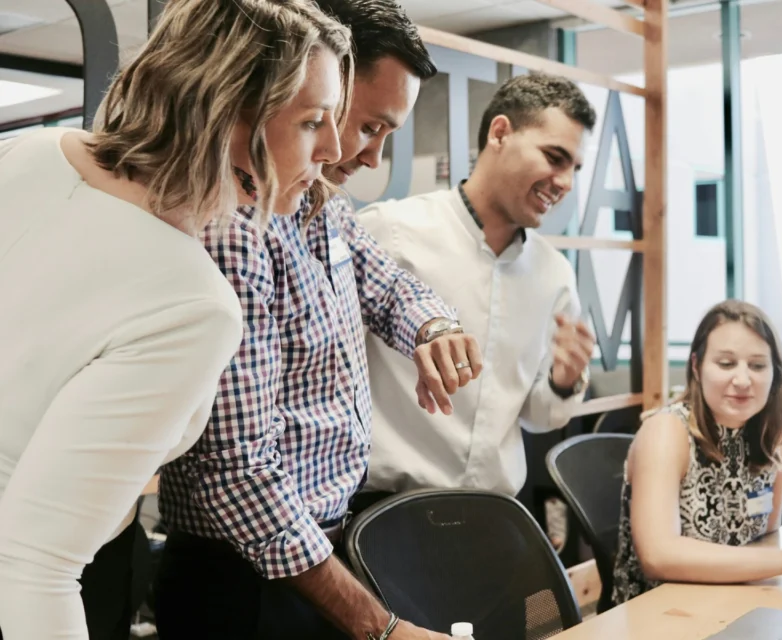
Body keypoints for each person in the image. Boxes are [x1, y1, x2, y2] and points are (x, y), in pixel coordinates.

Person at [0, 0, 352, 638]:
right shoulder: (192, 304)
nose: (333, 147)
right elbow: (31, 566)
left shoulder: (30, 153)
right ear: (227, 110)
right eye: (313, 122)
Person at [154, 2, 475, 639]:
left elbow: (386, 284)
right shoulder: (233, 226)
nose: (364, 155)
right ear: (319, 83)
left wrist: (433, 328)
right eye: (367, 126)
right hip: (247, 579)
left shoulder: (318, 202)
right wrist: (378, 626)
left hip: (316, 549)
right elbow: (237, 471)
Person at [352, 73, 598, 509]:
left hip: (493, 515)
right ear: (499, 133)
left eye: (574, 169)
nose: (565, 183)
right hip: (384, 510)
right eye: (554, 157)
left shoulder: (554, 273)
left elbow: (540, 416)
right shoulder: (389, 232)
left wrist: (563, 381)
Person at [611, 300, 782, 604]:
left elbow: (764, 543)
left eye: (758, 365)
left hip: (733, 603)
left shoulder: (775, 440)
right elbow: (658, 556)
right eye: (725, 364)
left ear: (775, 373)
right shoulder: (667, 431)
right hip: (656, 614)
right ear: (696, 367)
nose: (742, 380)